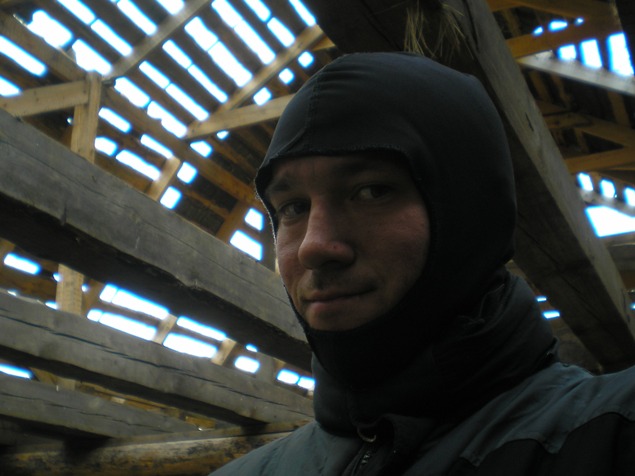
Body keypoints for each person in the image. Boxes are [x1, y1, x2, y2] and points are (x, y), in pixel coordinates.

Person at [211, 52, 635, 475]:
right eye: (292, 208)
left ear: (469, 213)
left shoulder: (612, 435)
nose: (313, 247)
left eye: (372, 191)